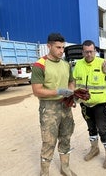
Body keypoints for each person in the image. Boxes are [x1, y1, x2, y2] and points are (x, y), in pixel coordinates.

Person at [31, 33, 77, 176]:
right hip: (49, 107)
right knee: (49, 141)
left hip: (65, 105)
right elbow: (37, 90)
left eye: (63, 47)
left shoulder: (65, 64)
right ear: (49, 46)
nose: (61, 50)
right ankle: (44, 172)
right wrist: (57, 91)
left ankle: (65, 168)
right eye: (58, 47)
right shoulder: (40, 65)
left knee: (66, 137)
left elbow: (71, 81)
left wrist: (71, 92)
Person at [72, 40, 106, 169]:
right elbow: (74, 82)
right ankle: (94, 149)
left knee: (102, 128)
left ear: (95, 51)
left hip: (100, 103)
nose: (89, 54)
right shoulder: (78, 64)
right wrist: (73, 97)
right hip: (84, 104)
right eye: (86, 52)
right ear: (83, 52)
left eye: (91, 51)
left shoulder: (103, 63)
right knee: (91, 128)